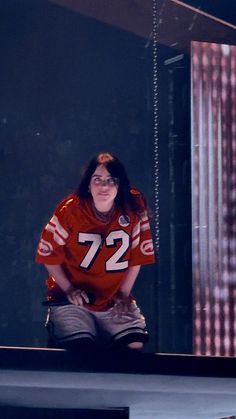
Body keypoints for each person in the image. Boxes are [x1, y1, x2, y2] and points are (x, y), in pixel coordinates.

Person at [35, 152, 155, 352]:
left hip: (112, 298)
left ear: (120, 184)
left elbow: (137, 256)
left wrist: (123, 295)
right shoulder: (70, 211)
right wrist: (70, 290)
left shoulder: (133, 207)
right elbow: (48, 256)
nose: (104, 187)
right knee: (81, 350)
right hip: (73, 300)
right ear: (88, 185)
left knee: (134, 344)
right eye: (97, 180)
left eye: (111, 180)